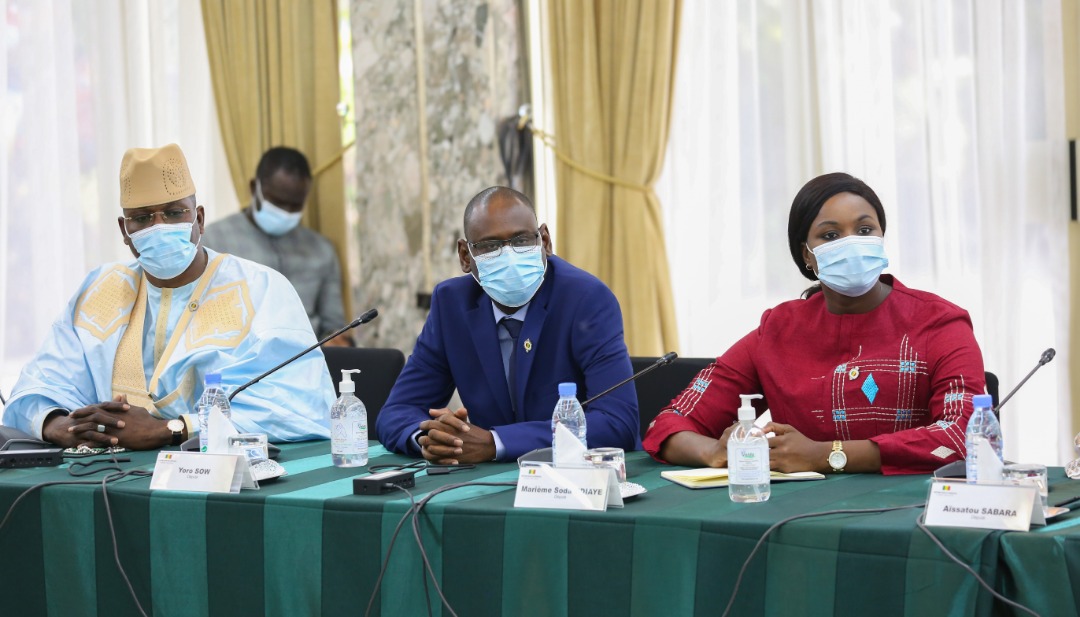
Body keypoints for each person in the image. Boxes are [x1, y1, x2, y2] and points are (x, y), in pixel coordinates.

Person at [643, 172, 985, 475]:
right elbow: (667, 426)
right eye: (831, 235)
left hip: (910, 511)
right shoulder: (777, 331)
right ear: (807, 254)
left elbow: (964, 436)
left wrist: (826, 455)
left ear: (881, 236)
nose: (851, 243)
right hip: (798, 516)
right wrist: (715, 451)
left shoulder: (939, 323)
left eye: (865, 229)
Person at [2, 144, 333, 449]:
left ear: (198, 218)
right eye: (143, 218)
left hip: (215, 473)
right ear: (125, 231)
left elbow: (296, 403)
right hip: (106, 470)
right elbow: (41, 383)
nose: (159, 226)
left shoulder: (261, 288)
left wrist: (170, 429)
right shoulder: (99, 288)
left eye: (174, 213)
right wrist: (59, 425)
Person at [377, 186, 640, 463]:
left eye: (522, 240)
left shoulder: (586, 299)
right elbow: (398, 411)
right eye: (490, 246)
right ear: (466, 257)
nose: (510, 256)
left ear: (545, 241)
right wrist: (431, 440)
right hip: (486, 485)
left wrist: (496, 443)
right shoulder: (451, 304)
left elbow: (617, 421)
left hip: (577, 478)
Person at [202, 146, 351, 345]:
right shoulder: (213, 241)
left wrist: (337, 341)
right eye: (278, 202)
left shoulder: (321, 251)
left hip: (306, 363)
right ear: (255, 188)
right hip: (238, 362)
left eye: (295, 205)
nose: (286, 212)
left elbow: (333, 325)